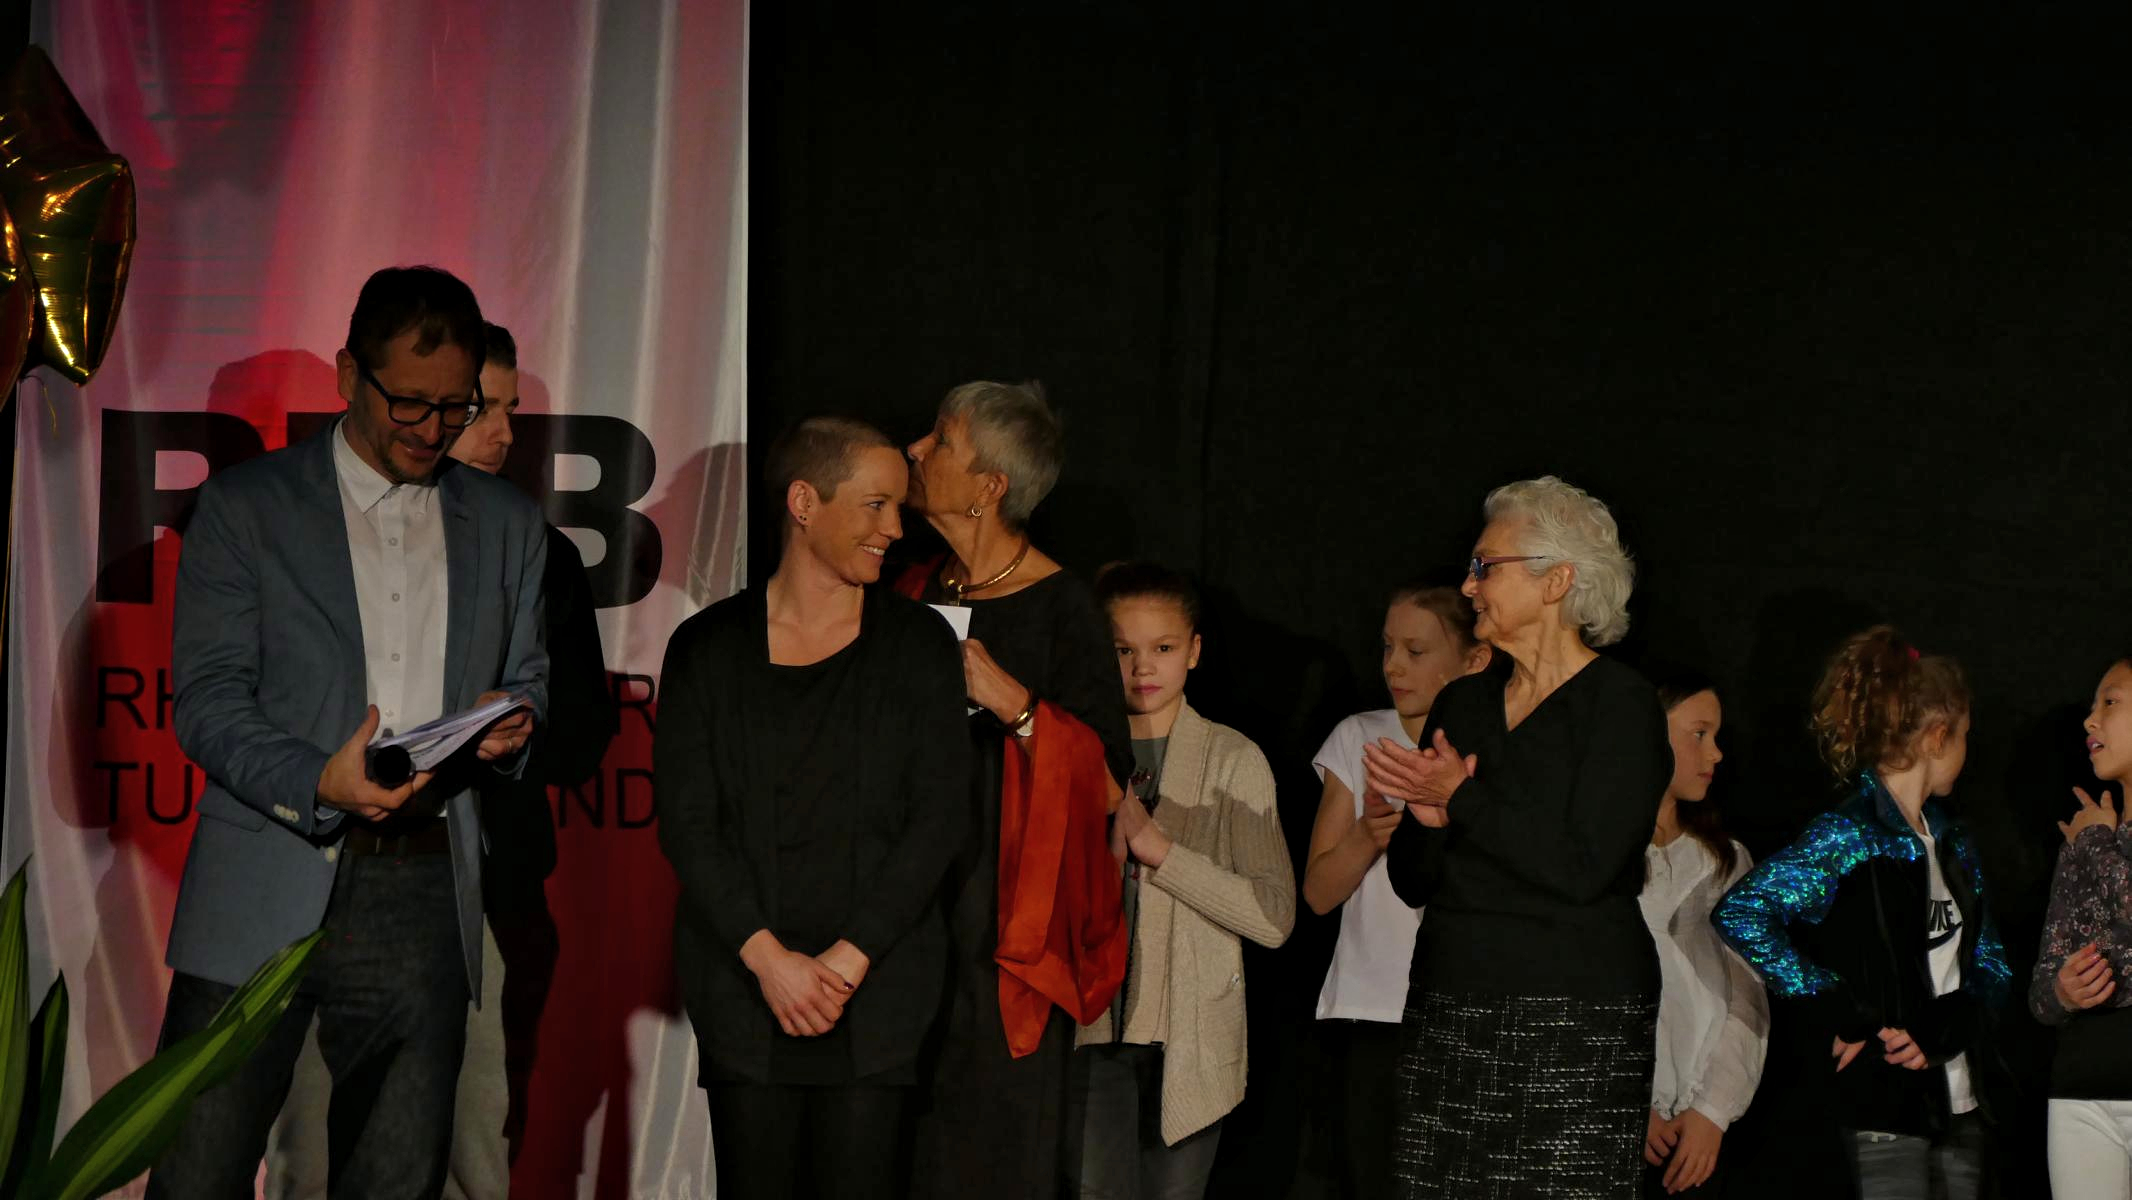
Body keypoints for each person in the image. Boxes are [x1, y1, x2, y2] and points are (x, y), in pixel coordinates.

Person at [148, 266, 549, 1198]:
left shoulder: (507, 522)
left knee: (395, 1180)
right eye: (409, 403)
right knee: (197, 1171)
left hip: (423, 890)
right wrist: (317, 781)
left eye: (455, 407)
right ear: (347, 375)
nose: (431, 430)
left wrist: (515, 724)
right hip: (264, 879)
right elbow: (206, 701)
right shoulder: (246, 508)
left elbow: (528, 675)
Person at [655, 415, 970, 1199]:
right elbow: (689, 825)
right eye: (875, 506)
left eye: (898, 507)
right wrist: (770, 962)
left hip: (878, 998)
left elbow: (939, 819)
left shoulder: (919, 644)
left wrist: (845, 964)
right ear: (804, 502)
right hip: (744, 994)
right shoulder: (706, 647)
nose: (894, 529)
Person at [1367, 475, 1672, 1200]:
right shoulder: (1463, 703)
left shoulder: (1620, 706)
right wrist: (1427, 822)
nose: (1468, 586)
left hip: (1573, 1020)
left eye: (1486, 566)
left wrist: (1462, 799)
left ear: (1557, 581)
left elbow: (1585, 866)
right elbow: (1412, 880)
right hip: (1451, 1012)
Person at [898, 380, 1135, 1198]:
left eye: (941, 441)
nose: (915, 450)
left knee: (995, 1154)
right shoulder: (912, 592)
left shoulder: (1065, 607)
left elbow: (1110, 787)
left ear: (990, 486)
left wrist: (1019, 707)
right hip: (902, 919)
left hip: (1006, 932)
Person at [1713, 627, 2009, 1200]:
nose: (1968, 751)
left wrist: (1947, 1026)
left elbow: (1992, 963)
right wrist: (1844, 1007)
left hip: (1964, 1103)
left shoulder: (1954, 840)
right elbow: (1745, 912)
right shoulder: (1849, 833)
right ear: (1938, 736)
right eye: (1966, 735)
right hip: (1885, 1106)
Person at [1064, 563, 1295, 1198]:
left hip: (1188, 1037)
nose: (1143, 667)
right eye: (1123, 650)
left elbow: (1273, 915)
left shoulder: (1233, 759)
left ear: (1193, 651)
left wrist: (1161, 852)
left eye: (1162, 648)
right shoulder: (1077, 749)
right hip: (1089, 1026)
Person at [1298, 583, 1491, 1199]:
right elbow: (1318, 894)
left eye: (1416, 650)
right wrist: (1367, 834)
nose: (1393, 666)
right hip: (1374, 1010)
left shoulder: (1494, 746)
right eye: (1387, 647)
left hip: (1467, 1010)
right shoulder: (1360, 736)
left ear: (1474, 659)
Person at [1638, 668, 1767, 1197]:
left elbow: (1748, 996)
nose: (1715, 753)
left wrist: (1713, 1109)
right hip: (1613, 1115)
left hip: (1703, 1128)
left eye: (1716, 736)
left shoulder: (1725, 860)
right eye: (1699, 734)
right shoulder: (1593, 857)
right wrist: (1628, 1099)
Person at [2029, 653, 2132, 1198]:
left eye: (2110, 702)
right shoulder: (2085, 837)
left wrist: (2096, 842)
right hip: (2082, 1097)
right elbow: (2040, 997)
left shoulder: (2091, 839)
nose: (2091, 720)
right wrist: (2063, 992)